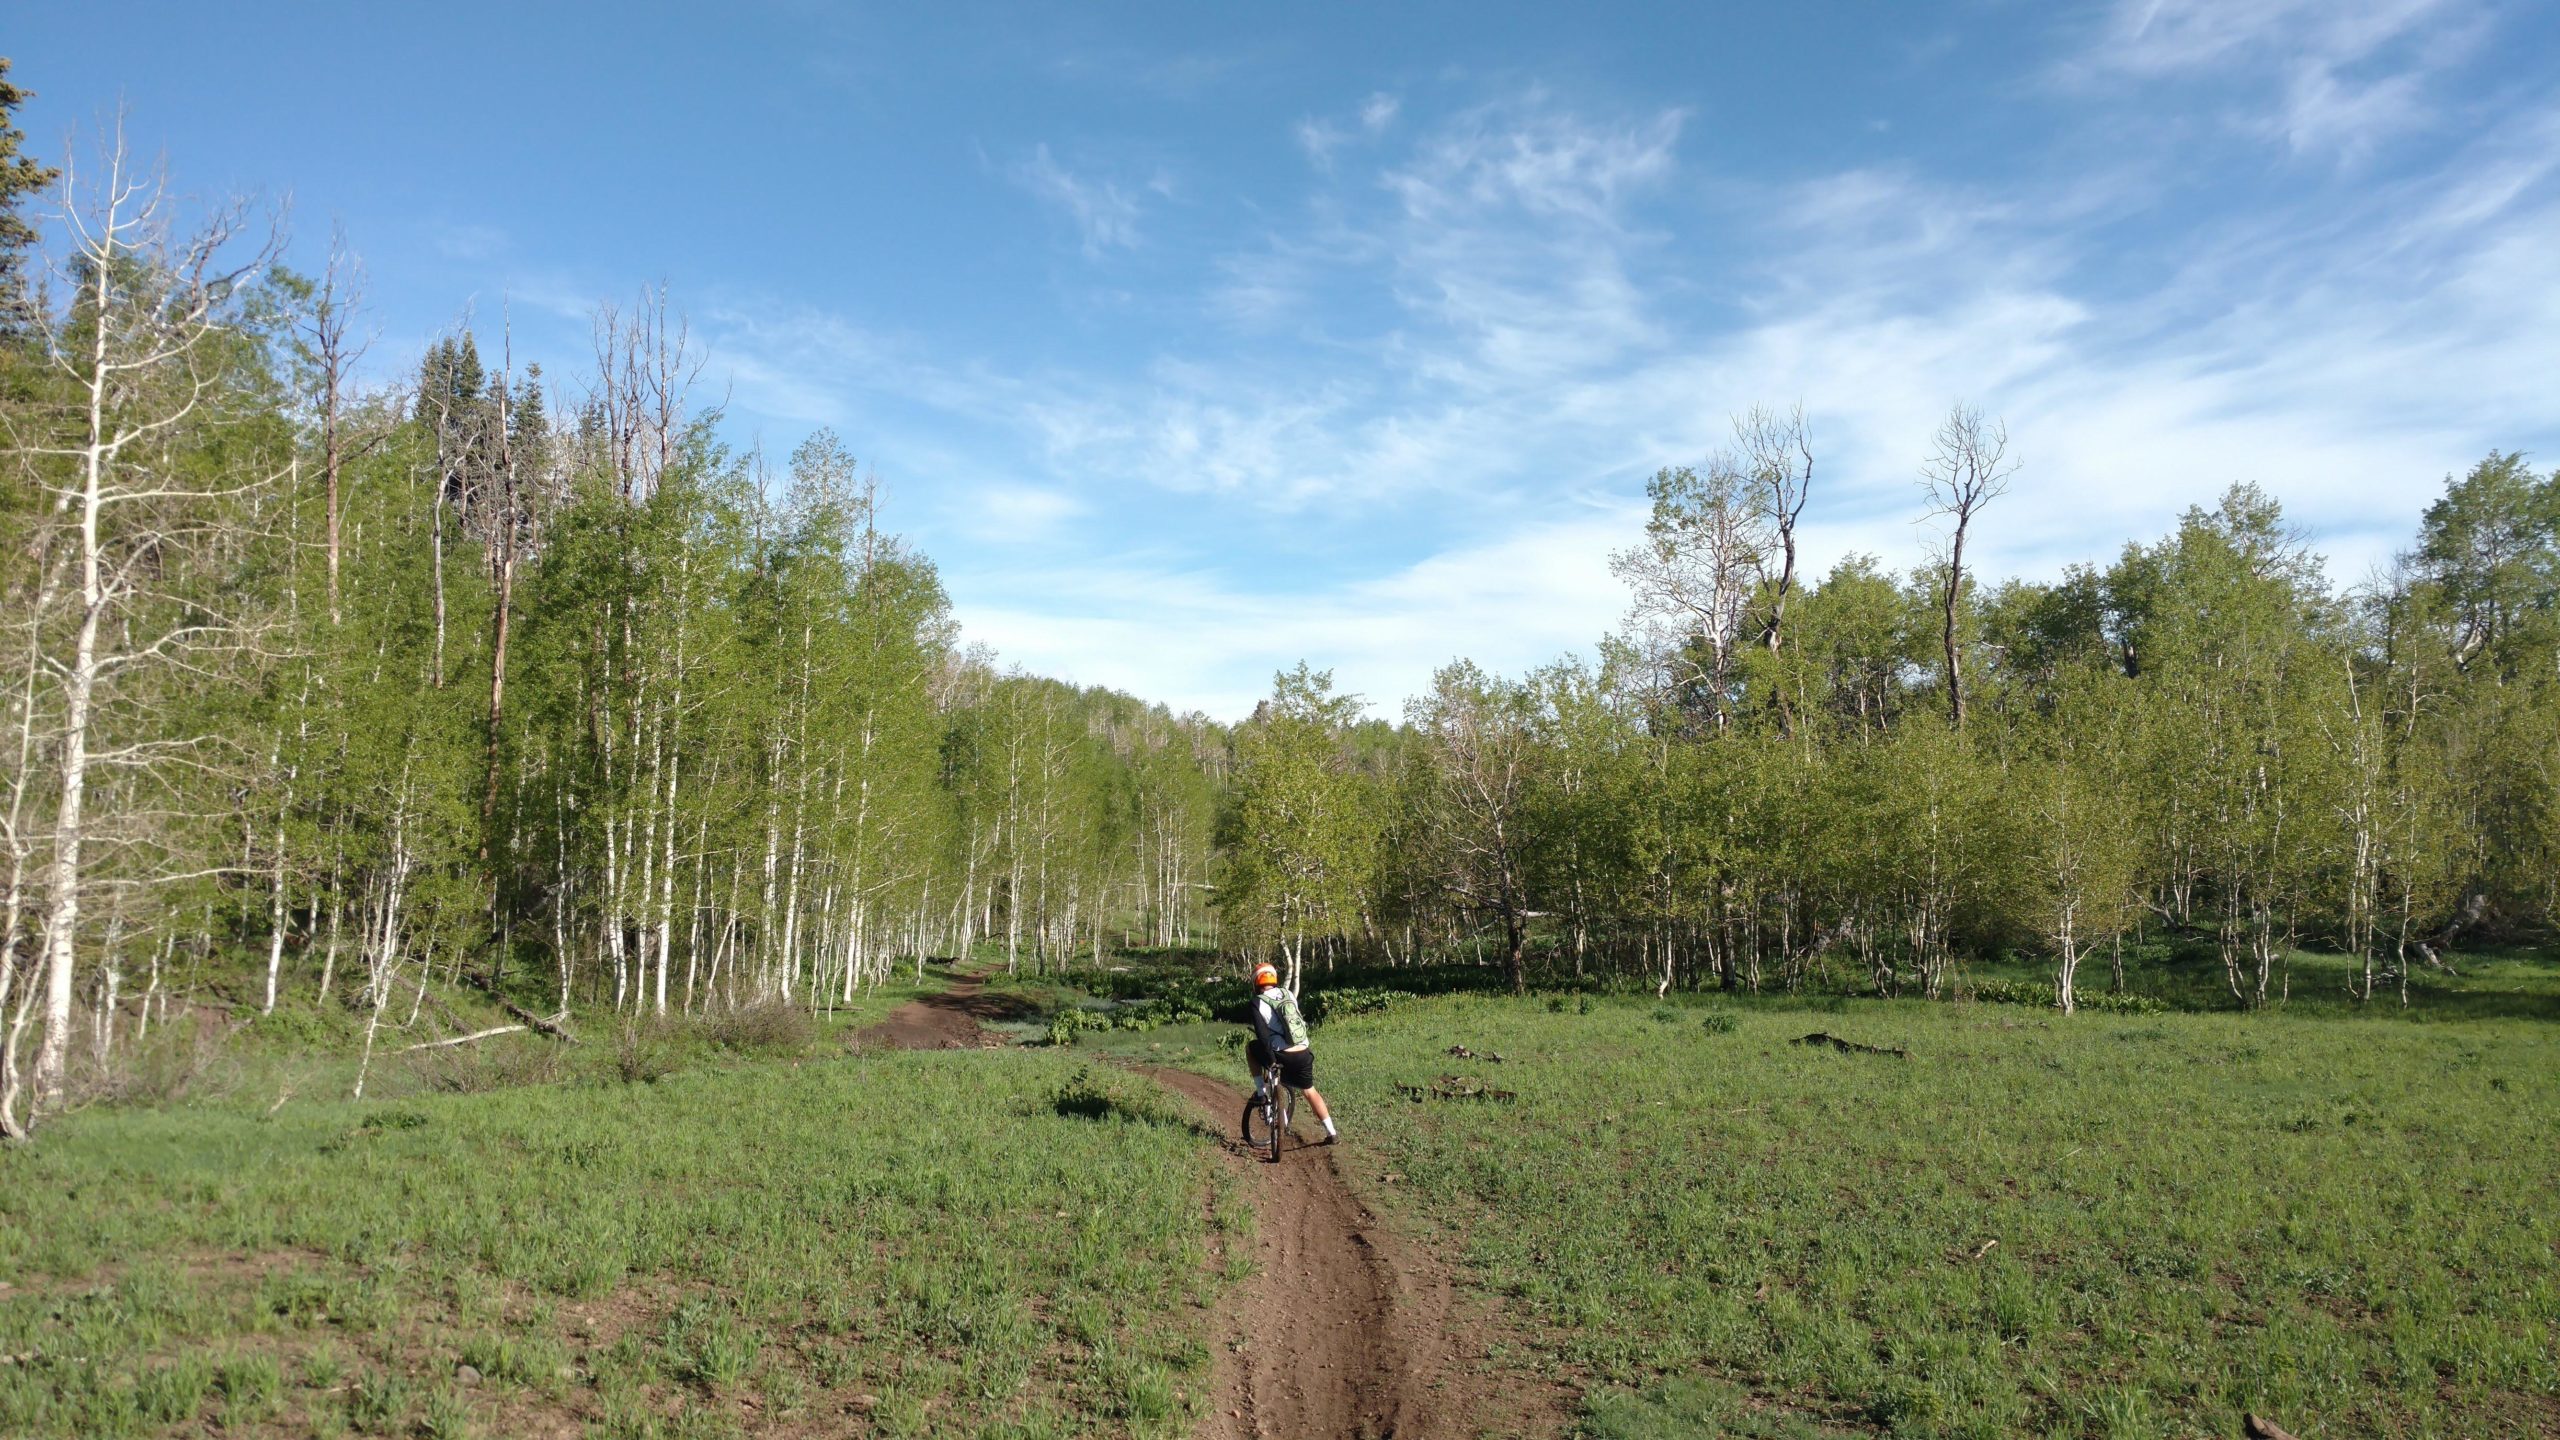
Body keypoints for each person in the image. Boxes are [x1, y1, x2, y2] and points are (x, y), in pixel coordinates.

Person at [1244, 962, 1337, 1144]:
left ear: (1255, 982)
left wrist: (1271, 1060)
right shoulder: (1288, 994)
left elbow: (1263, 1037)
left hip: (1281, 1053)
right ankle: (1332, 1132)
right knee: (1310, 1091)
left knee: (1251, 1048)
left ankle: (1262, 1093)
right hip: (1303, 1051)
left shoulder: (1257, 1002)